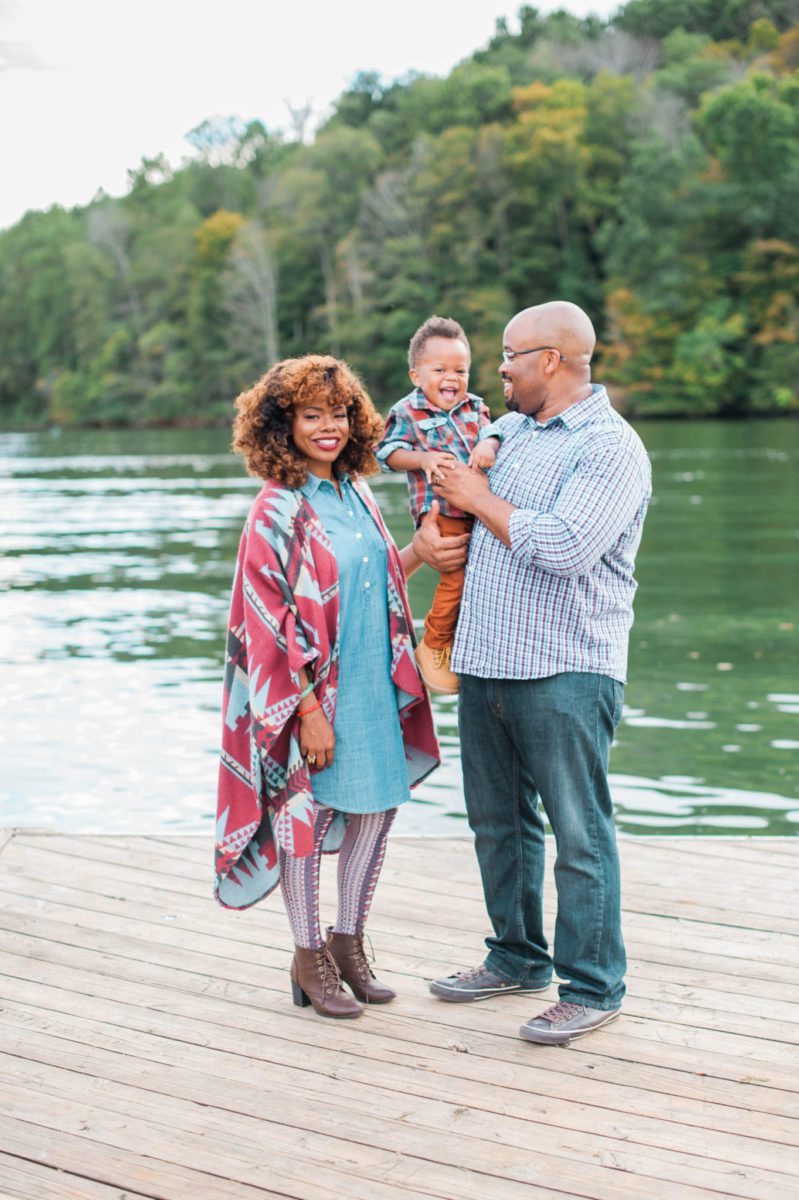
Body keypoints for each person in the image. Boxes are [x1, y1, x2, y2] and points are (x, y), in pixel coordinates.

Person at [414, 301, 652, 1045]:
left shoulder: (610, 447)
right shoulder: (510, 431)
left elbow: (564, 546)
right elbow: (466, 503)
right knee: (498, 824)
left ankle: (592, 986)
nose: (500, 370)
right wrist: (438, 531)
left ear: (550, 359)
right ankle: (516, 958)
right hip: (486, 661)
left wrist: (476, 497)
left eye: (510, 356)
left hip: (565, 669)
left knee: (579, 833)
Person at [214, 355, 440, 1019]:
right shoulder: (275, 509)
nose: (328, 427)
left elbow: (373, 583)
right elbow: (270, 622)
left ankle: (348, 943)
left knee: (377, 808)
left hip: (374, 678)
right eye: (311, 415)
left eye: (338, 414)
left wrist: (420, 555)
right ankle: (308, 955)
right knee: (304, 820)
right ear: (281, 425)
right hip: (311, 694)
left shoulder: (356, 492)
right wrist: (308, 711)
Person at [376, 316, 497, 695]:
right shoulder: (407, 411)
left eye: (460, 370)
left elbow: (495, 434)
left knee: (482, 577)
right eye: (440, 369)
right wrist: (423, 458)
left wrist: (487, 445)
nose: (452, 378)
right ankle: (434, 643)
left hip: (479, 509)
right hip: (440, 511)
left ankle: (462, 644)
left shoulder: (475, 407)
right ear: (416, 375)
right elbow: (387, 453)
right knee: (455, 579)